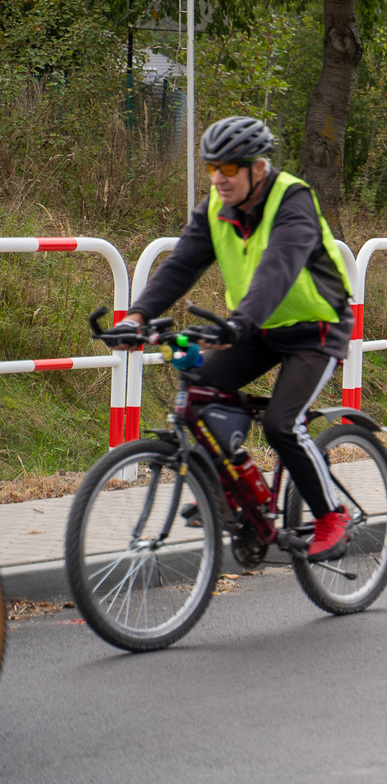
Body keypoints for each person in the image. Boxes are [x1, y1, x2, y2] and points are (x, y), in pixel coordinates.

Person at [107, 117, 358, 562]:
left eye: (228, 169)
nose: (218, 179)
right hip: (257, 327)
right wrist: (137, 317)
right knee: (199, 389)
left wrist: (238, 324)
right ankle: (233, 488)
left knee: (282, 425)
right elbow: (182, 264)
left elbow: (278, 268)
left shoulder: (293, 199)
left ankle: (331, 516)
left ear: (258, 168)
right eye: (211, 169)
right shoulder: (215, 209)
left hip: (315, 328)